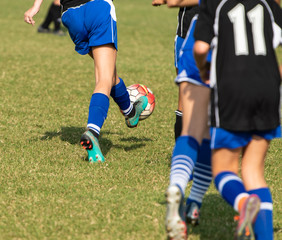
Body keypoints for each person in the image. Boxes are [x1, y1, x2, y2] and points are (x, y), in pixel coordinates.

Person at [193, 0, 282, 238]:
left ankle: (243, 203)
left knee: (223, 168)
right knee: (253, 170)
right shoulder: (268, 4)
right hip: (268, 89)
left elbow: (201, 48)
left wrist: (203, 68)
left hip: (231, 88)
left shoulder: (214, 3)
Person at [24, 0, 148, 163]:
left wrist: (36, 6)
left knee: (108, 72)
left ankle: (130, 112)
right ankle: (93, 131)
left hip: (71, 16)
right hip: (97, 8)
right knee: (104, 78)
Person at [152, 0, 213, 239]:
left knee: (190, 121)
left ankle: (177, 182)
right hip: (230, 46)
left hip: (196, 34)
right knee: (209, 127)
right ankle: (196, 200)